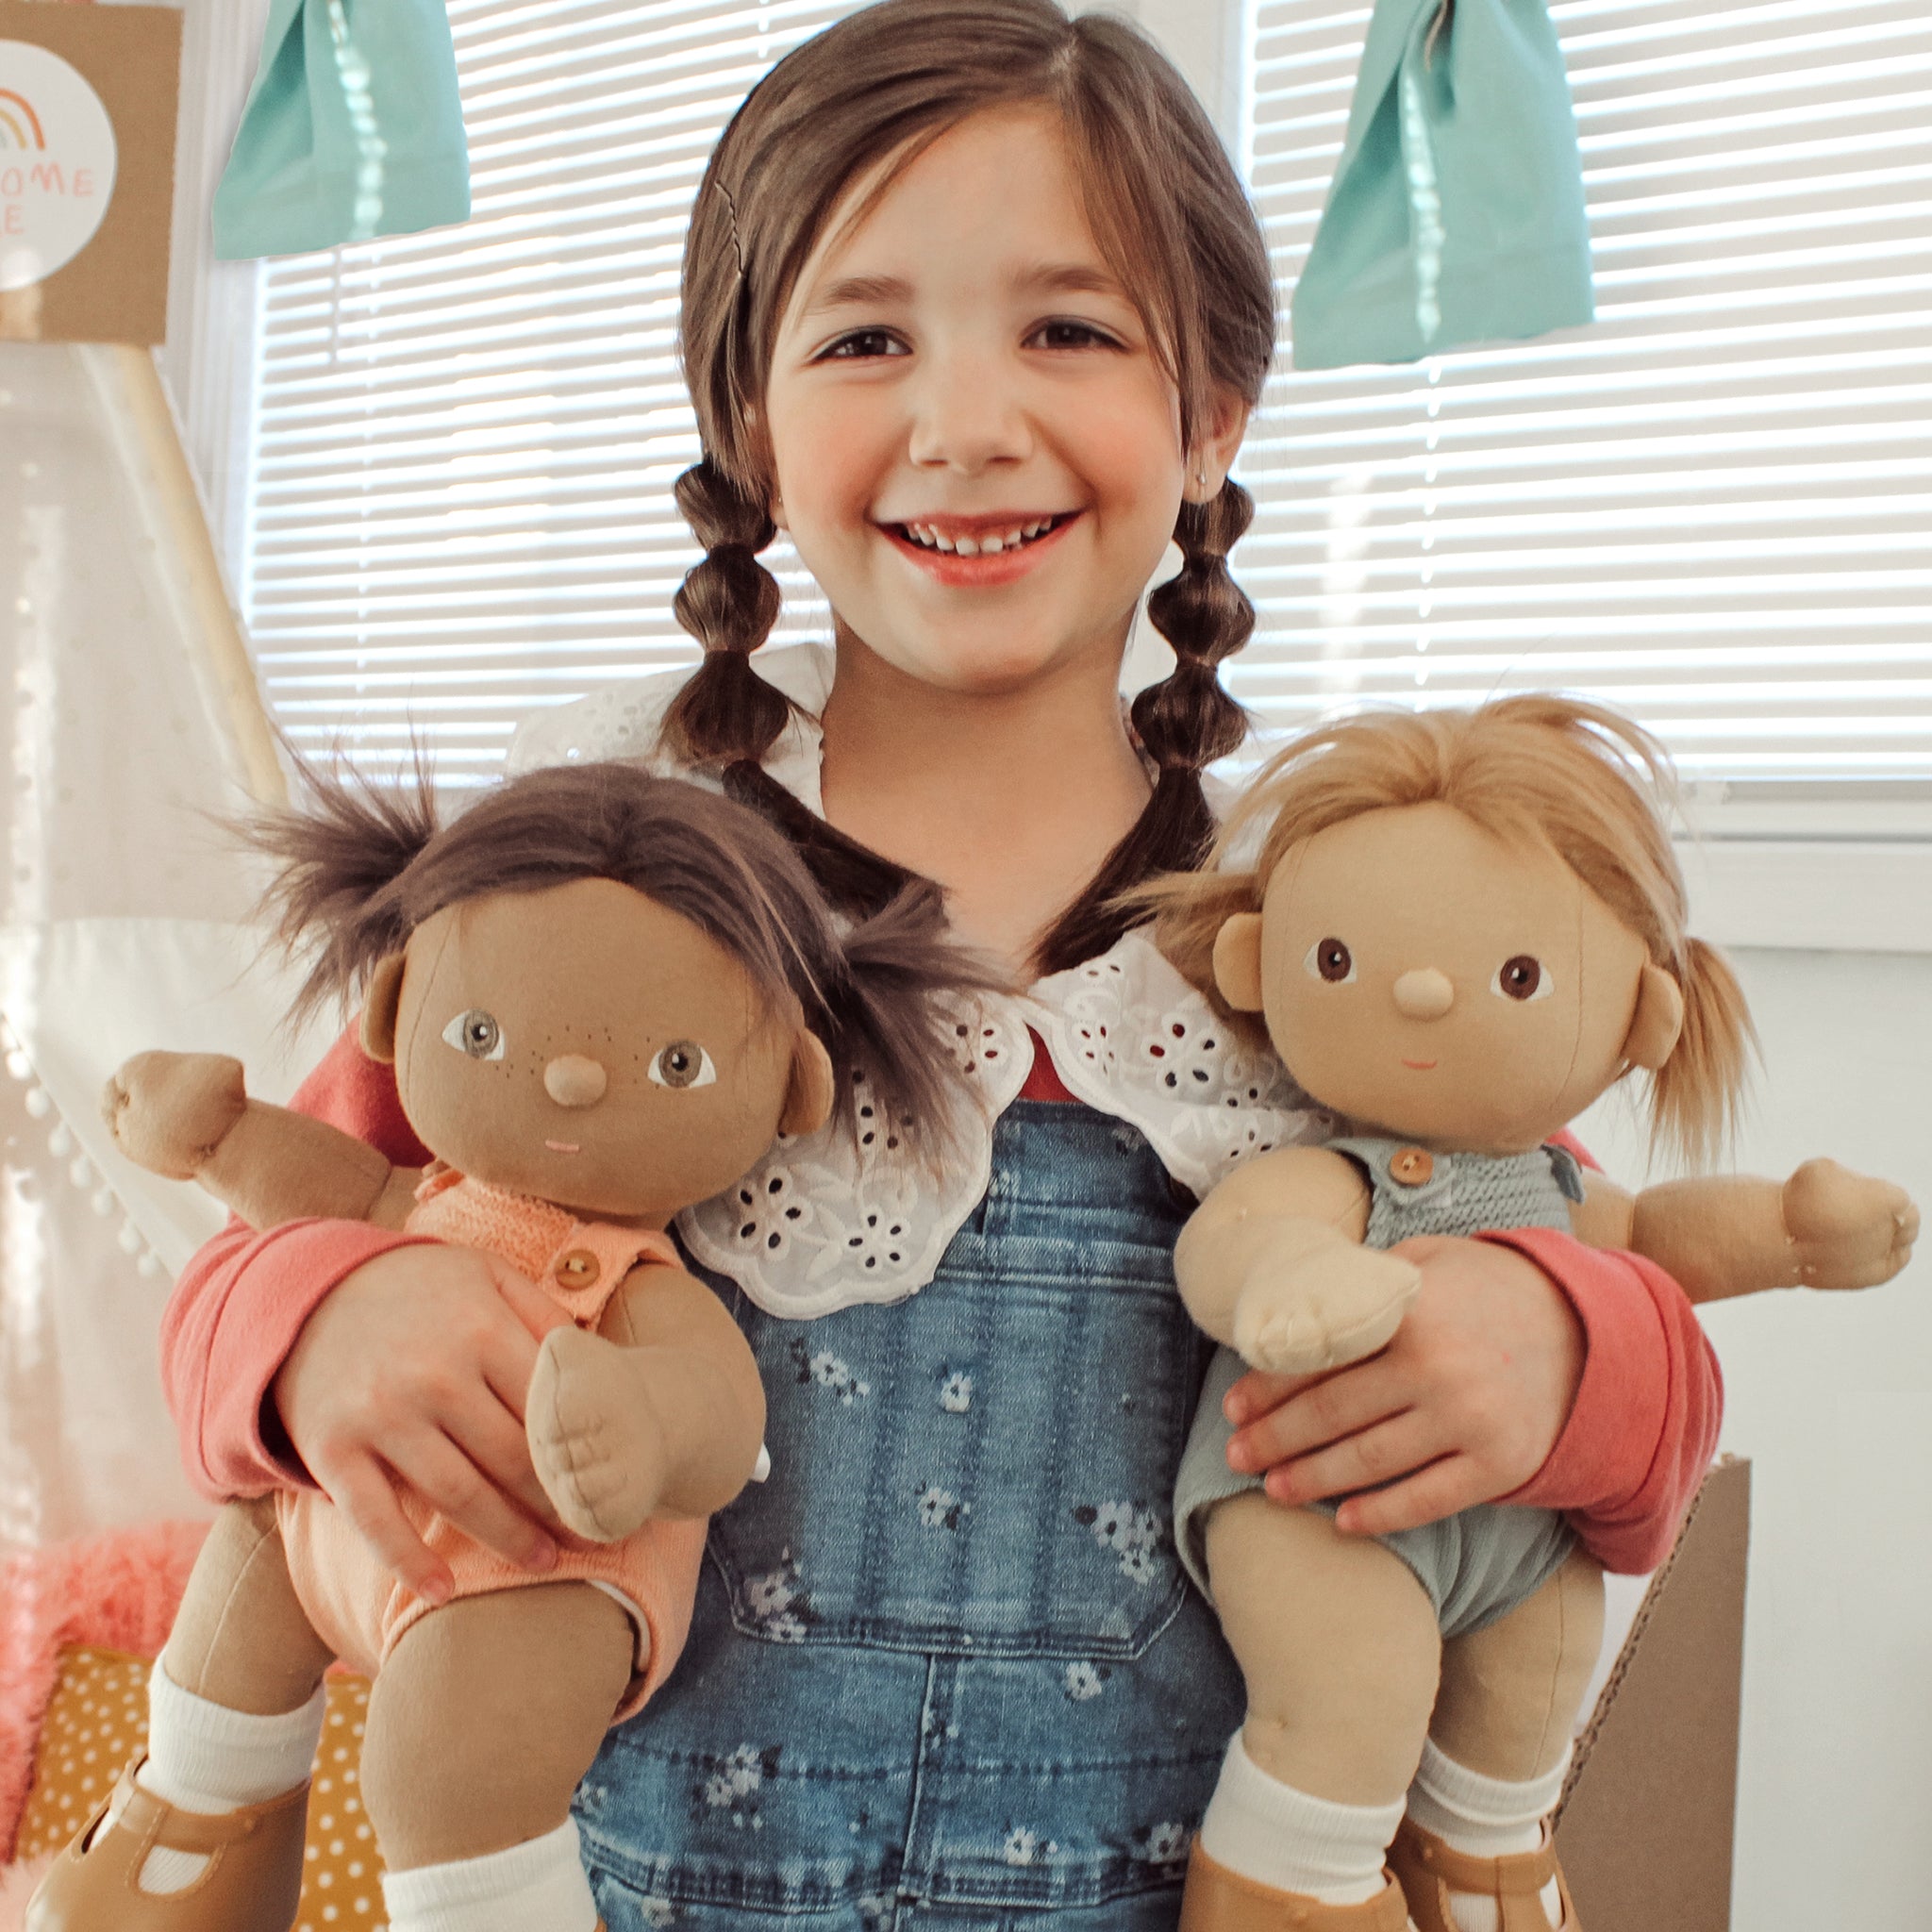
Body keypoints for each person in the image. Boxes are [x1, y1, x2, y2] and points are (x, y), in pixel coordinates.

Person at [154, 5, 1720, 1928]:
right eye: (866, 337)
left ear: (1213, 404)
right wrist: (321, 1332)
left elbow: (1621, 1304)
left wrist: (1567, 1352)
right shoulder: (597, 871)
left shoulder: (1322, 913)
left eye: (1068, 329)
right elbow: (259, 1249)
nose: (967, 422)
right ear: (748, 415)